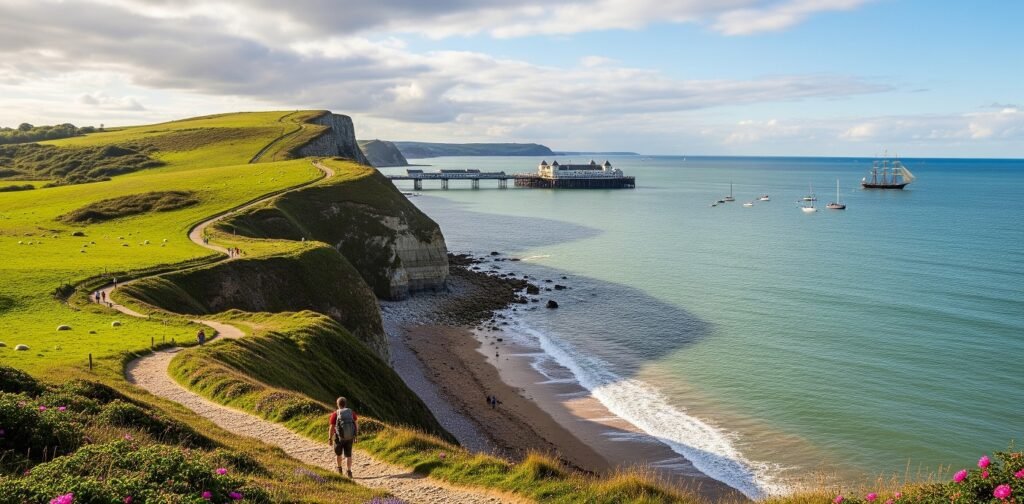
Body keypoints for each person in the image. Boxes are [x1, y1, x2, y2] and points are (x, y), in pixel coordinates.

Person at [328, 396, 358, 477]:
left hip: (339, 438)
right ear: (345, 404)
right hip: (350, 437)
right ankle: (349, 471)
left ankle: (339, 469)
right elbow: (356, 424)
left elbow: (331, 427)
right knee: (349, 455)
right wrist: (355, 435)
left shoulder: (335, 414)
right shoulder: (351, 412)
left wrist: (330, 438)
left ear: (337, 404)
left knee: (339, 454)